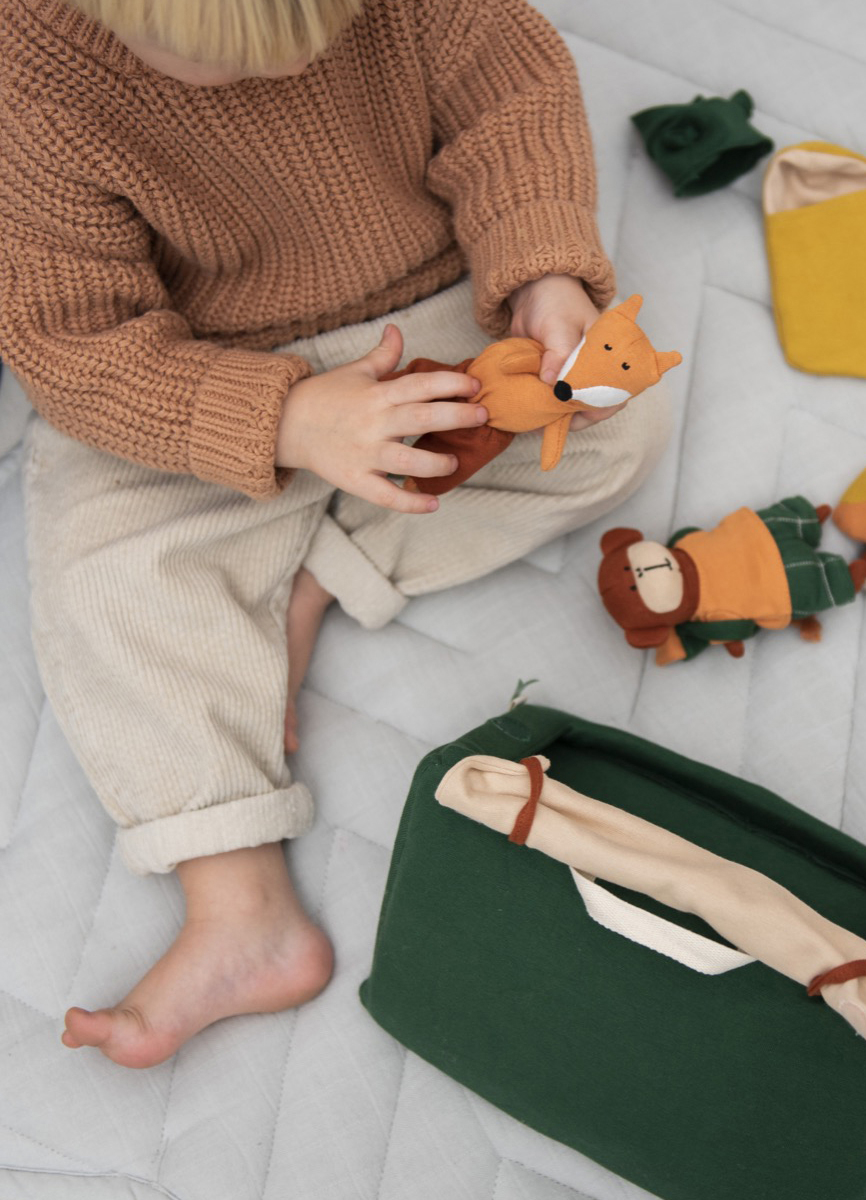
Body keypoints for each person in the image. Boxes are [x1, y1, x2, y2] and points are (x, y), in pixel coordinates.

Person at [0, 0, 670, 1069]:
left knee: (614, 426)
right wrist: (285, 421)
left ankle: (316, 579)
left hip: (425, 304)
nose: (290, 74)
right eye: (223, 60)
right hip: (198, 363)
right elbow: (77, 346)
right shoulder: (32, 82)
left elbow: (512, 102)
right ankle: (242, 909)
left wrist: (544, 277)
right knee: (104, 576)